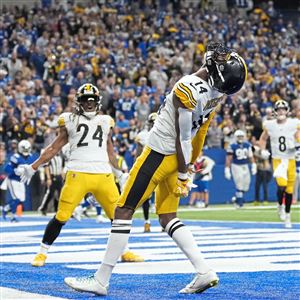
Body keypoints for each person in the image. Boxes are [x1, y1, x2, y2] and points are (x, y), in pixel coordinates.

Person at [63, 42, 248, 295]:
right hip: (178, 158)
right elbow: (200, 132)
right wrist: (190, 163)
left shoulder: (186, 88)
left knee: (123, 209)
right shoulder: (216, 93)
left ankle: (101, 279)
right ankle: (204, 271)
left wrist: (184, 172)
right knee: (168, 217)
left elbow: (183, 136)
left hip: (160, 154)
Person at [17, 83, 143, 267]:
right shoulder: (70, 120)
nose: (89, 103)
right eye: (86, 100)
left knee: (119, 218)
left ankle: (124, 252)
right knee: (61, 216)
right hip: (78, 174)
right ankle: (42, 253)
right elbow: (53, 148)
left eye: (92, 100)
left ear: (98, 102)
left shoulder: (105, 121)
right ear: (79, 102)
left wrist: (120, 174)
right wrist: (33, 167)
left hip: (103, 175)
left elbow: (110, 152)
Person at [258, 100, 300, 228]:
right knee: (281, 185)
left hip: (291, 159)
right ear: (275, 112)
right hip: (278, 159)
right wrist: (262, 150)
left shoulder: (294, 124)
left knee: (289, 190)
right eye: (279, 109)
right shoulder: (270, 125)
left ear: (287, 111)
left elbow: (298, 136)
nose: (281, 111)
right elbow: (263, 139)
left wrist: (298, 146)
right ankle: (280, 205)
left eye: (283, 109)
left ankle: (287, 216)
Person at [134, 112, 158, 232]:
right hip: (147, 167)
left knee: (162, 194)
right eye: (152, 122)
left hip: (161, 167)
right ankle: (147, 222)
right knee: (146, 196)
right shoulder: (143, 135)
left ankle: (164, 222)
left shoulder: (165, 133)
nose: (154, 125)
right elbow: (138, 154)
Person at [3, 140, 35, 222]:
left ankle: (6, 208)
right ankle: (12, 217)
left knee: (21, 200)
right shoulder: (16, 157)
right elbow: (6, 168)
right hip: (13, 180)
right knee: (16, 199)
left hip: (21, 181)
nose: (26, 151)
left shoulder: (31, 157)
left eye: (27, 149)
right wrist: (15, 170)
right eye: (24, 149)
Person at [225, 130, 257, 207]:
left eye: (241, 136)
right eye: (239, 136)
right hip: (236, 165)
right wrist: (227, 169)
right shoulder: (232, 146)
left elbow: (250, 156)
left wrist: (253, 165)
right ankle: (239, 202)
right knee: (239, 184)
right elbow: (229, 158)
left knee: (246, 185)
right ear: (236, 137)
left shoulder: (247, 145)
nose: (240, 138)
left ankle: (236, 198)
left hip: (245, 165)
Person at [38, 151, 64, 215]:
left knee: (61, 194)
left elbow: (62, 168)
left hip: (59, 177)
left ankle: (58, 209)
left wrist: (63, 178)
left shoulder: (61, 157)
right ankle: (43, 208)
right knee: (50, 194)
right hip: (53, 176)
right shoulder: (50, 157)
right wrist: (49, 178)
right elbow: (46, 167)